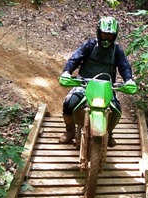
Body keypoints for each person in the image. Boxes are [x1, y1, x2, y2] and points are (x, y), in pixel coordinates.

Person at [58, 16, 136, 147]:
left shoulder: (117, 50)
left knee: (116, 108)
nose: (107, 37)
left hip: (106, 87)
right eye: (104, 34)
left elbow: (124, 66)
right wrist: (67, 71)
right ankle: (69, 131)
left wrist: (129, 80)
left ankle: (109, 132)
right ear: (99, 32)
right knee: (68, 103)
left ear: (115, 35)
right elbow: (75, 59)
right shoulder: (90, 46)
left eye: (110, 35)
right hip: (84, 84)